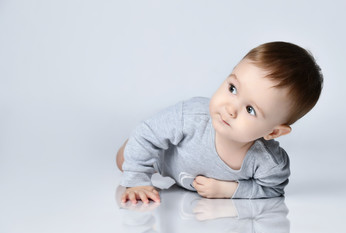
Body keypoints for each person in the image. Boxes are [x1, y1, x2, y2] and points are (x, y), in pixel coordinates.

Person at [116, 41, 323, 204]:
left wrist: (229, 190)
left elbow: (272, 189)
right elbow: (147, 134)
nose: (230, 109)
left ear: (274, 132)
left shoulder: (268, 163)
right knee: (125, 158)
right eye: (232, 88)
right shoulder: (190, 117)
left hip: (188, 185)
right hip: (163, 158)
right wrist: (136, 182)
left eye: (250, 109)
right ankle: (137, 152)